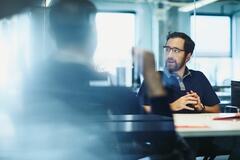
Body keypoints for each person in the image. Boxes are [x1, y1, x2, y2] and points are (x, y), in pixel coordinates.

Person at [0, 0, 194, 159]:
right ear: (93, 35)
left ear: (52, 32)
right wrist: (151, 76)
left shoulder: (27, 85)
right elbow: (165, 142)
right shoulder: (111, 92)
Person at [138, 32, 220, 113]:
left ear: (187, 57)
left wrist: (201, 107)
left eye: (176, 50)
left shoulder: (199, 77)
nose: (169, 55)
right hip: (165, 126)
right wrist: (171, 107)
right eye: (167, 49)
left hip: (195, 126)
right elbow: (138, 109)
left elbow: (216, 109)